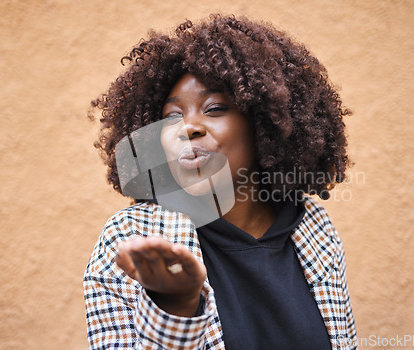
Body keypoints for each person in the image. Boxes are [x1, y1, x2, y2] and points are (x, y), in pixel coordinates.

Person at [84, 14, 357, 350]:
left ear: (265, 123)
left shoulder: (314, 230)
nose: (188, 128)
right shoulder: (129, 239)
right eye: (172, 118)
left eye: (213, 108)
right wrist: (177, 312)